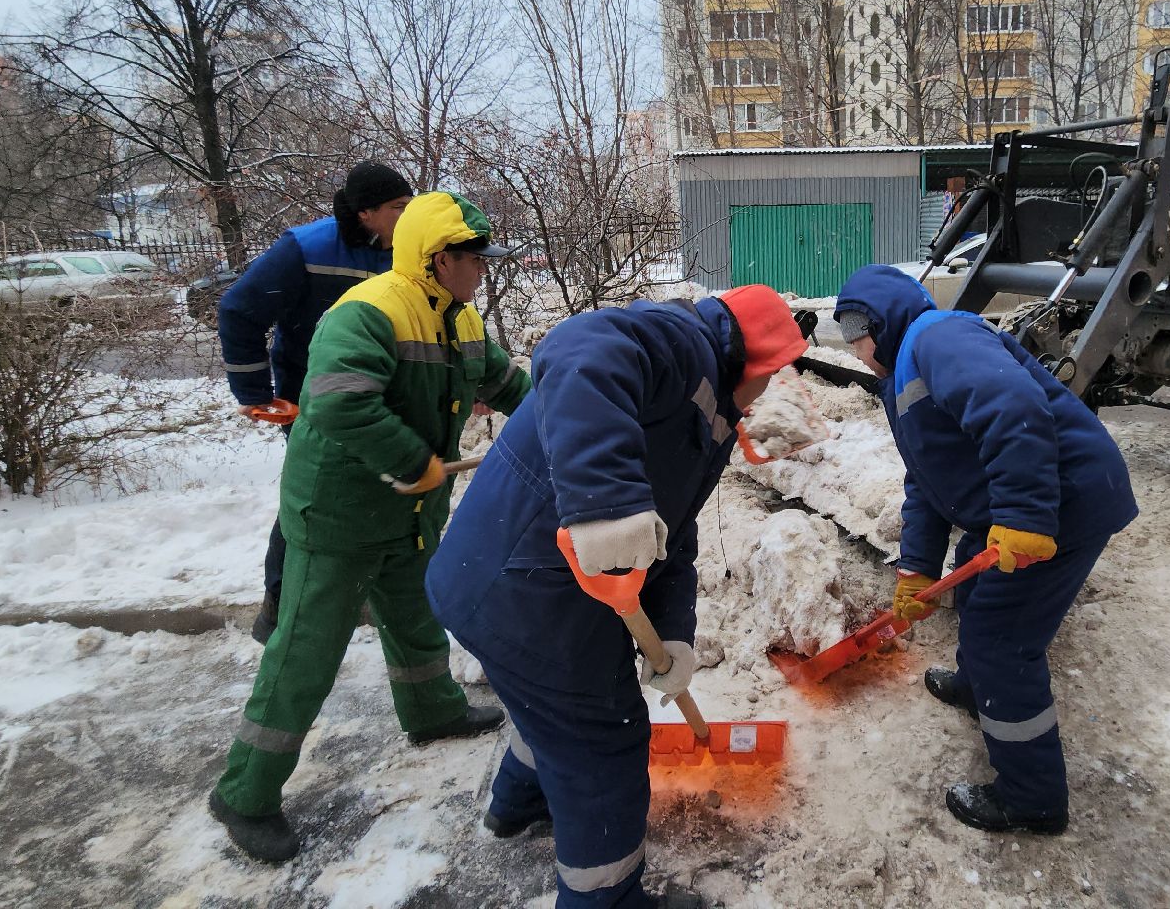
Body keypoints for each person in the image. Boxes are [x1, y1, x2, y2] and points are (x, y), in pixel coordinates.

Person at [424, 285, 809, 909]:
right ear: (756, 362)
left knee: (551, 712)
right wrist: (605, 504)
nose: (767, 394)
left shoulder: (710, 419)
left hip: (510, 585)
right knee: (603, 739)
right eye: (771, 377)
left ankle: (521, 803)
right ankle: (605, 897)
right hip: (522, 590)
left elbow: (674, 538)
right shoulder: (681, 342)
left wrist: (675, 634)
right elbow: (576, 347)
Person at [208, 189, 533, 864]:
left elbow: (507, 386)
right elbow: (337, 405)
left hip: (408, 510)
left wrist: (565, 413)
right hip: (339, 511)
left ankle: (433, 710)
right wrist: (414, 460)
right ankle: (244, 791)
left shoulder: (463, 322)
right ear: (440, 258)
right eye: (476, 260)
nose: (483, 271)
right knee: (306, 651)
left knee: (416, 611)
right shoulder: (368, 312)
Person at [832, 264, 1137, 836]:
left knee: (1001, 639)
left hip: (1059, 500)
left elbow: (1011, 406)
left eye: (858, 333)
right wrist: (916, 571)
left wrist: (1024, 514)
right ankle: (981, 689)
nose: (854, 351)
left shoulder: (937, 335)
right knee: (972, 592)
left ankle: (1032, 800)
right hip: (1014, 502)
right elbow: (926, 482)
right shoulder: (901, 378)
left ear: (883, 321)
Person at [218, 161, 414, 642]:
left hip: (384, 402)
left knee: (381, 496)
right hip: (315, 404)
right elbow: (239, 309)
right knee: (314, 502)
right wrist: (255, 395)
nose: (407, 216)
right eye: (398, 207)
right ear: (366, 212)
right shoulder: (307, 248)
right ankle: (279, 609)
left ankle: (370, 602)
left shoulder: (405, 251)